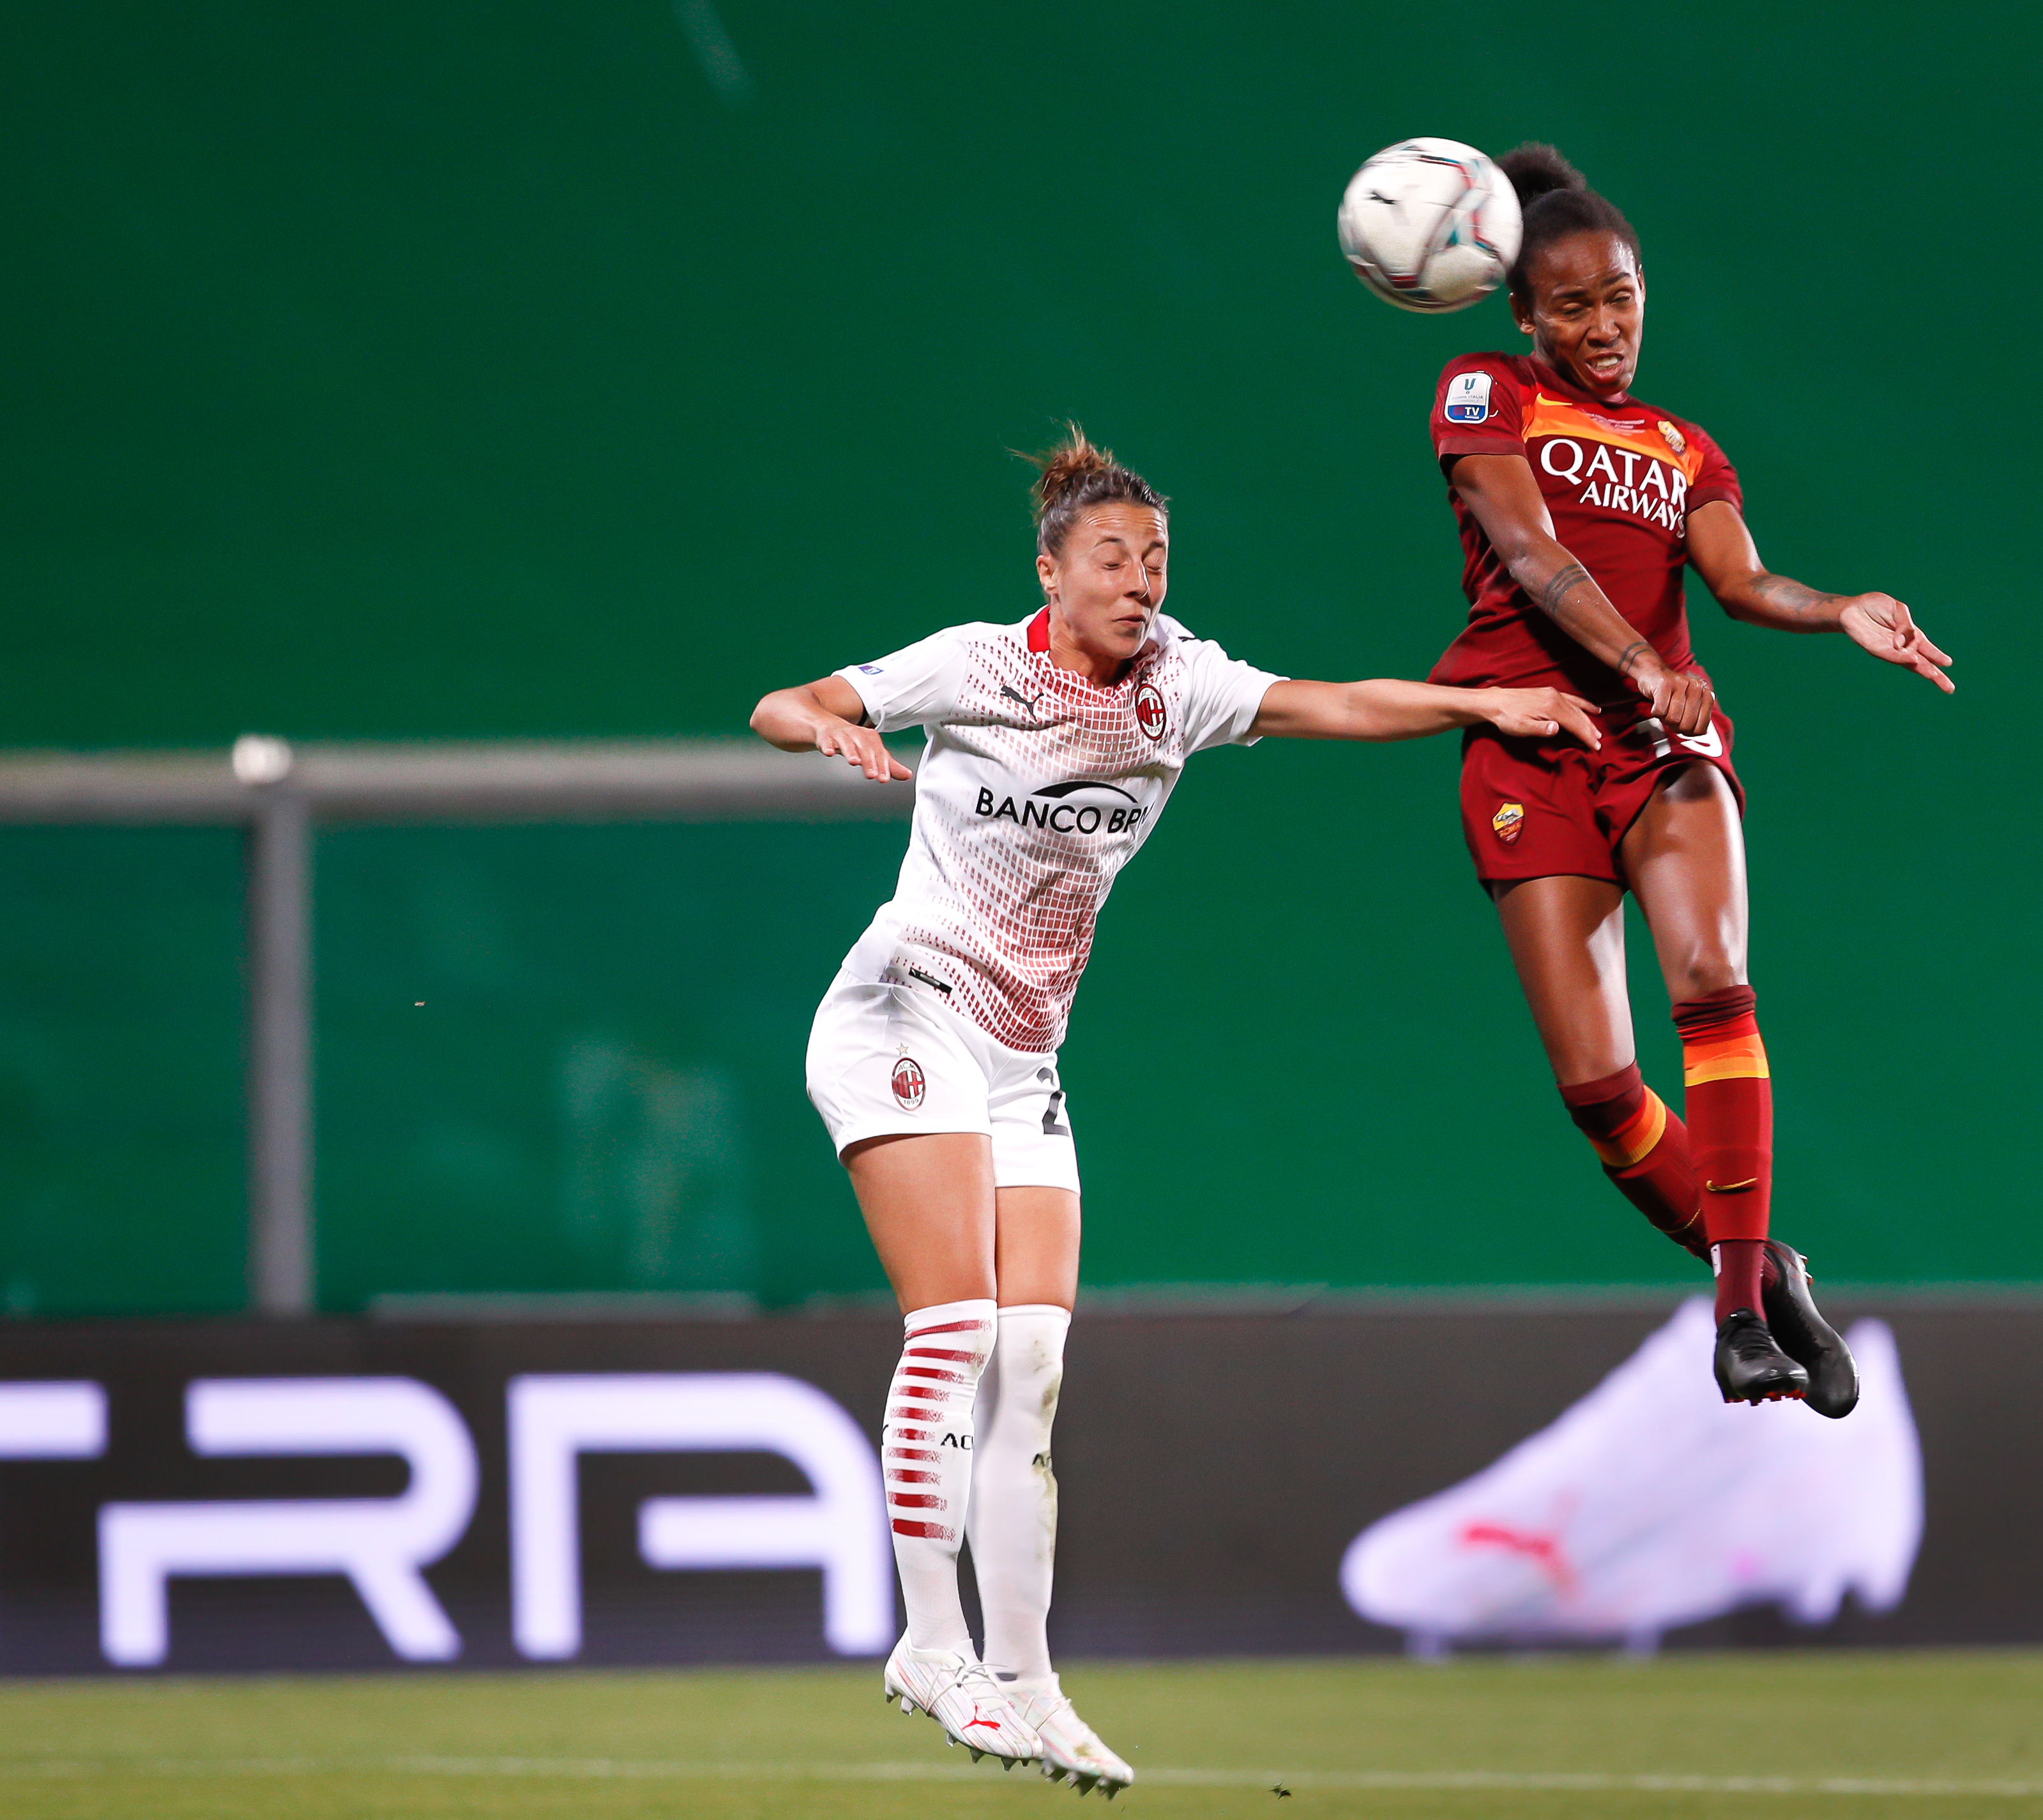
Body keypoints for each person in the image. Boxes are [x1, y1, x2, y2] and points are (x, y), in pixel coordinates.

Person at [748, 428, 1596, 1795]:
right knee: (956, 1326)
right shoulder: (975, 664)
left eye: (1154, 558)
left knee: (1030, 1369)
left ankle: (1024, 1683)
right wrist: (832, 724)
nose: (1139, 581)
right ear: (1050, 570)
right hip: (902, 1013)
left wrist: (1482, 709)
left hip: (1022, 1060)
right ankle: (927, 1641)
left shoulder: (1179, 687)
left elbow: (1335, 703)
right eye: (1111, 559)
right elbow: (780, 702)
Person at [1423, 144, 1954, 1413]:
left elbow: (1735, 582)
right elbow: (1530, 551)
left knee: (1713, 988)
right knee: (1600, 1095)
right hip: (1530, 739)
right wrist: (1630, 660)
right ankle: (1768, 1269)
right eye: (1570, 306)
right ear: (1521, 313)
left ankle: (1732, 1322)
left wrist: (1834, 610)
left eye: (1620, 298)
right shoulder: (1481, 393)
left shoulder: (1682, 447)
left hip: (1666, 742)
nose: (1602, 329)